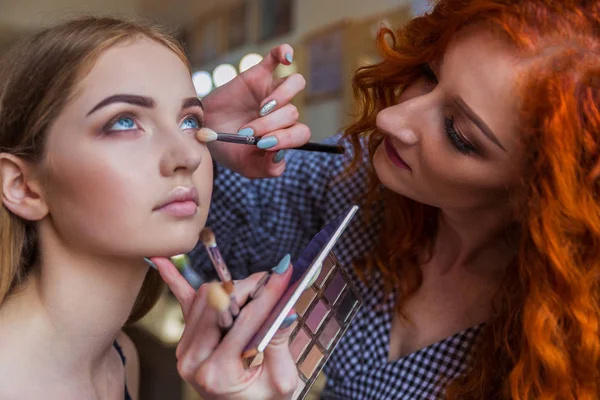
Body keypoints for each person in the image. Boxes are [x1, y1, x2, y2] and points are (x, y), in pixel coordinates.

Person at [192, 0, 600, 398]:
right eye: (428, 74)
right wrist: (213, 146)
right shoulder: (358, 174)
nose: (390, 120)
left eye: (458, 133)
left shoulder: (566, 346)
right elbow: (214, 238)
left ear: (544, 192)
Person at [0, 17, 306, 400]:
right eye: (124, 121)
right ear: (22, 186)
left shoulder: (120, 358)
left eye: (189, 121)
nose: (188, 156)